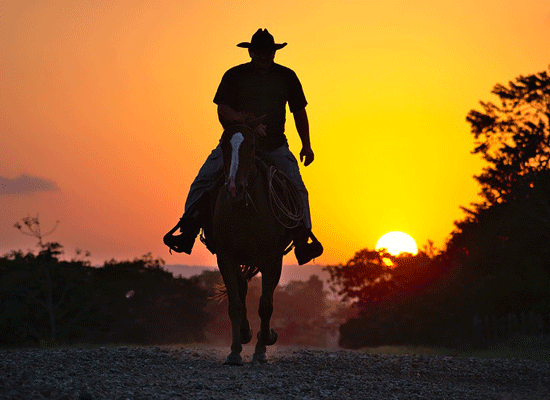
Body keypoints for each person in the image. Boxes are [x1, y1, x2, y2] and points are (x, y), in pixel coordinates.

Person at [170, 28, 322, 265]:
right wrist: (247, 122)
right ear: (250, 52)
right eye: (259, 52)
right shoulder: (234, 76)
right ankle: (187, 231)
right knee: (203, 180)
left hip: (274, 146)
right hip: (237, 144)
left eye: (268, 53)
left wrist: (307, 145)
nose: (264, 57)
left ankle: (303, 240)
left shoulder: (287, 76)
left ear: (274, 53)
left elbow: (298, 111)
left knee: (297, 186)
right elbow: (223, 110)